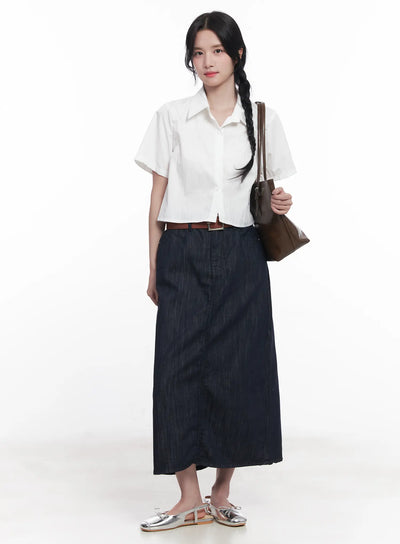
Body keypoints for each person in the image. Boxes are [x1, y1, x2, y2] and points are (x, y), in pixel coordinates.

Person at [133, 11, 296, 532]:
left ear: (237, 54)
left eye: (218, 51)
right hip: (182, 248)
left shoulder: (262, 119)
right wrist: (154, 265)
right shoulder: (172, 116)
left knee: (239, 368)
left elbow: (271, 194)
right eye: (198, 53)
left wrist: (281, 201)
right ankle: (188, 497)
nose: (207, 62)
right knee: (175, 370)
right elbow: (156, 200)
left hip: (242, 252)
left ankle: (221, 492)